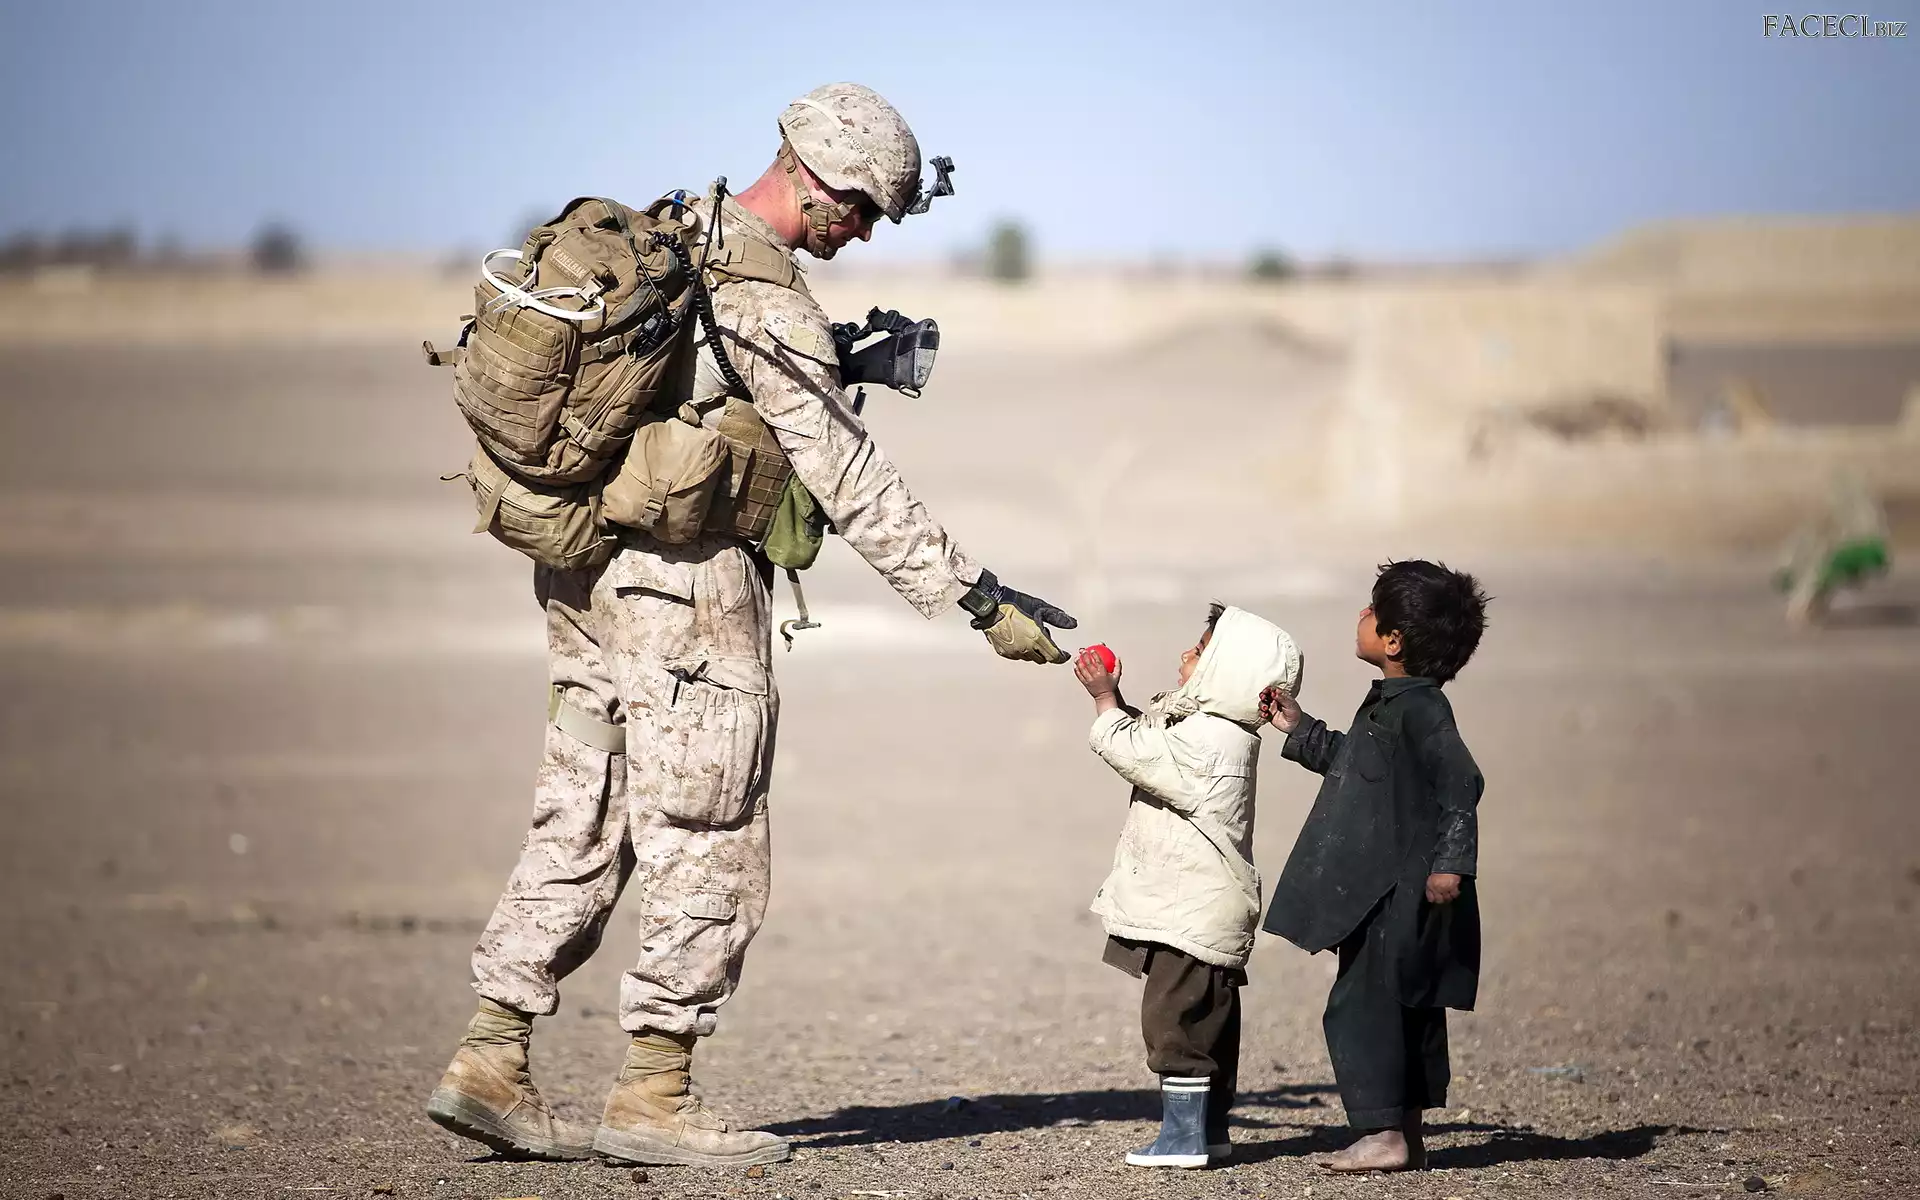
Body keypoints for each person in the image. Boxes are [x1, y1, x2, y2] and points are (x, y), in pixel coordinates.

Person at [425, 83, 1077, 1169]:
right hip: (686, 595)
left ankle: (491, 1055)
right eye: (860, 210)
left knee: (584, 807)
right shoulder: (766, 299)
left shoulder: (679, 234)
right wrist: (976, 597)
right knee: (709, 831)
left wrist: (830, 366)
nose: (861, 234)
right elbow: (850, 477)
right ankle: (655, 1093)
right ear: (814, 178)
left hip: (585, 574)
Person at [1258, 560, 1488, 1173]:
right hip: (1383, 890)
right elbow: (1357, 768)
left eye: (1372, 610)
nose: (1361, 614)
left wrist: (1451, 863)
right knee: (1401, 1003)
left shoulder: (1423, 710)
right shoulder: (1393, 703)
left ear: (1393, 641)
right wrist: (1298, 728)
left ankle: (1383, 1135)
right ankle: (1404, 1134)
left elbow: (1461, 782)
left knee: (1364, 1007)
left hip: (1400, 892)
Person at [1071, 604, 1302, 1169]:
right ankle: (1210, 1131)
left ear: (1229, 671)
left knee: (1173, 1022)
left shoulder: (1211, 740)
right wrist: (1120, 702)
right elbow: (1155, 743)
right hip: (1203, 908)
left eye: (1200, 651)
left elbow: (1135, 752)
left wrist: (1104, 699)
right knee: (1209, 1023)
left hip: (1190, 911)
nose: (1185, 655)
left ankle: (1182, 1139)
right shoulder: (1216, 733)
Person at [1774, 468, 1891, 627]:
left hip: (1849, 549)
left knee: (1818, 574)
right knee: (1820, 575)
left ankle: (1807, 608)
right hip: (1857, 547)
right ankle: (1809, 607)